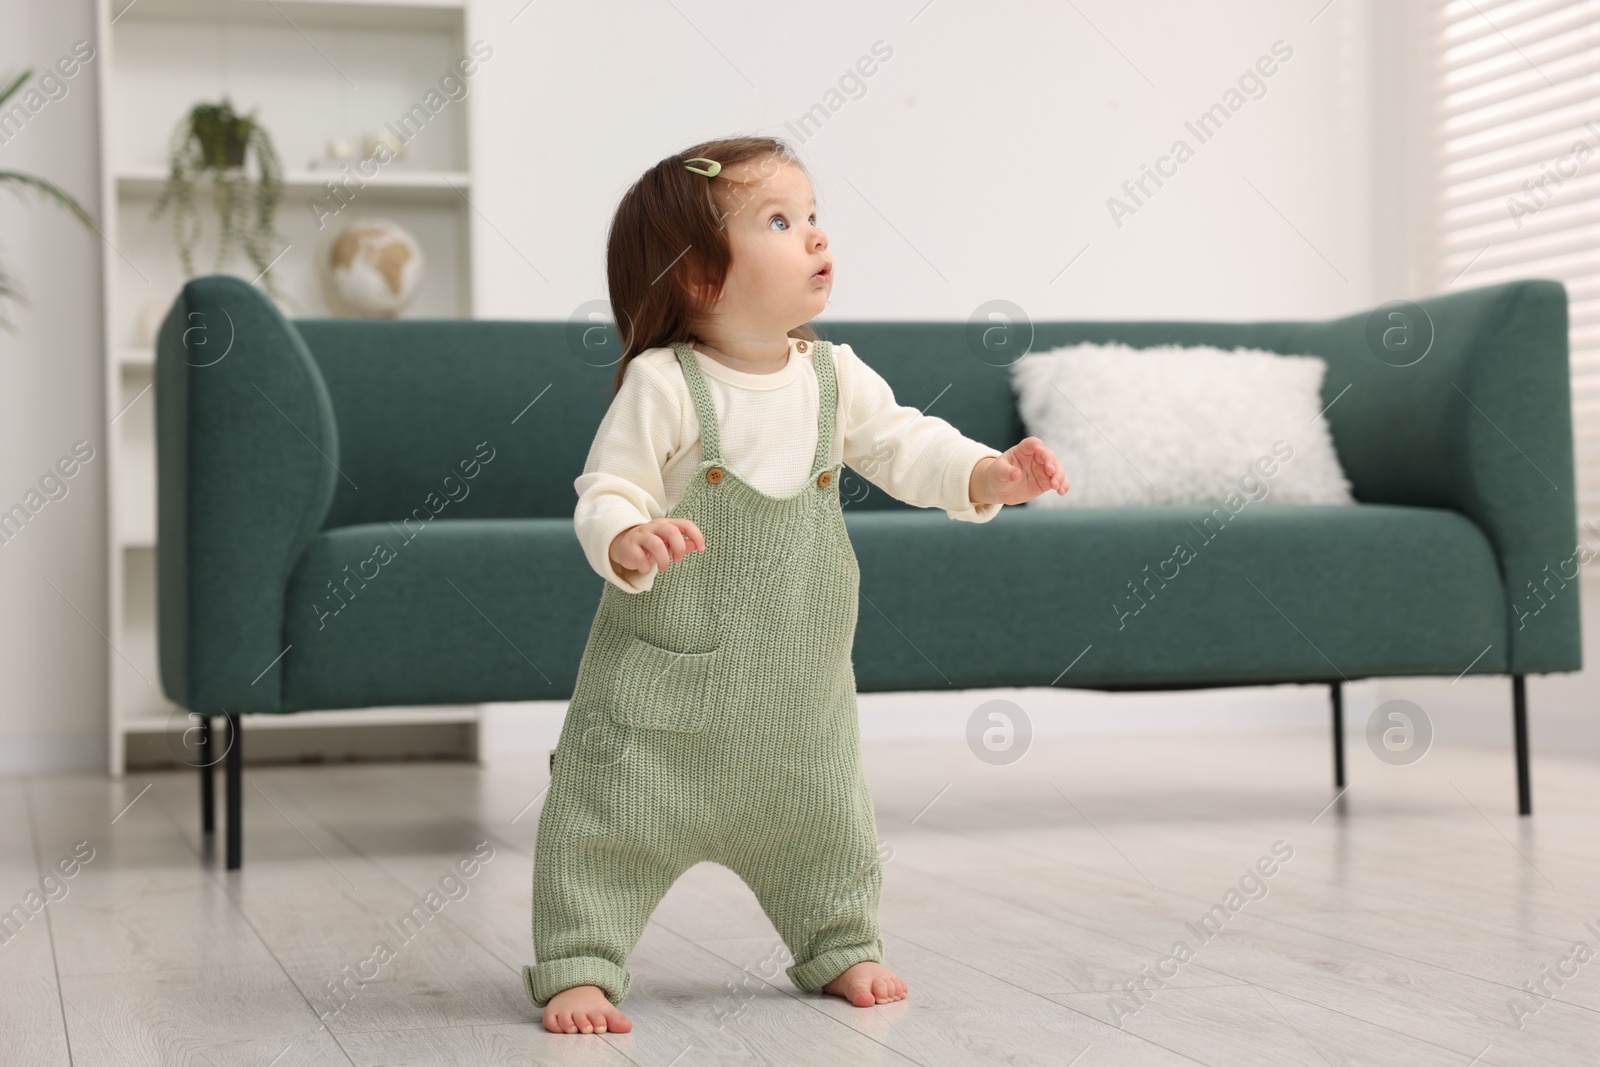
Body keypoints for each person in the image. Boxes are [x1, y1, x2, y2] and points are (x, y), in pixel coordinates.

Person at [524, 135, 1070, 1036]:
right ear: (699, 276)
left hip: (795, 705)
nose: (816, 236)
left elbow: (908, 443)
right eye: (781, 220)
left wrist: (987, 474)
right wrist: (628, 534)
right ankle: (581, 960)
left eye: (814, 215)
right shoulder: (666, 385)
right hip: (661, 707)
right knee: (603, 823)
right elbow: (608, 486)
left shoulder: (832, 375)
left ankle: (841, 939)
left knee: (827, 824)